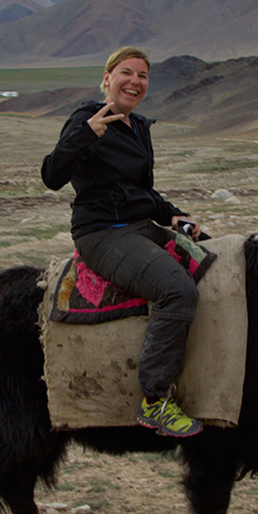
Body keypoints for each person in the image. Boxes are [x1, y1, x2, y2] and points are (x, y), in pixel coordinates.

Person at [41, 46, 204, 438]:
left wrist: (173, 215)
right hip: (103, 234)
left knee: (211, 258)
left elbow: (141, 191)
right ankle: (156, 401)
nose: (135, 81)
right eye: (126, 73)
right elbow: (51, 175)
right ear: (107, 78)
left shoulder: (139, 127)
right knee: (176, 290)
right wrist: (84, 135)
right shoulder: (87, 119)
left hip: (140, 226)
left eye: (143, 75)